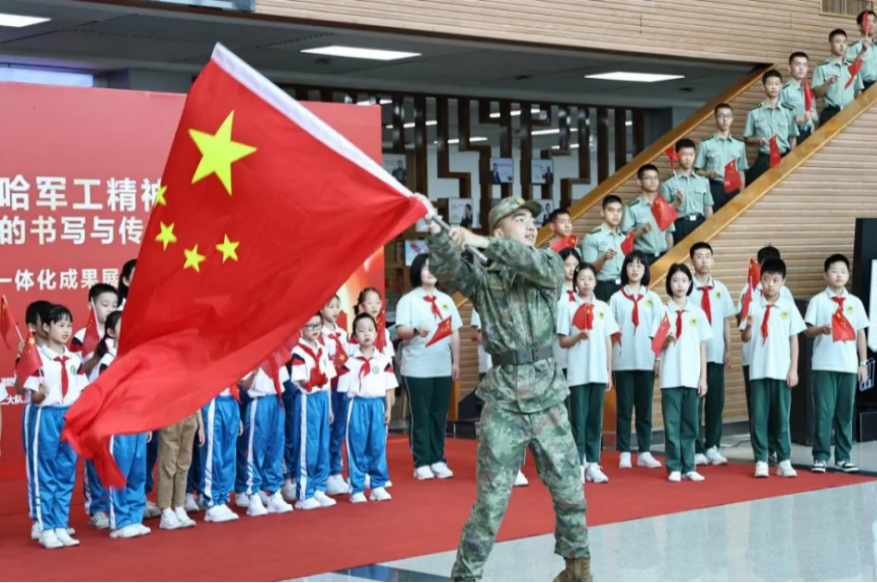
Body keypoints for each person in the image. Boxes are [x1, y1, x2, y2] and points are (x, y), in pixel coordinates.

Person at [421, 194, 592, 583]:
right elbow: (448, 270)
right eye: (520, 219)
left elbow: (528, 262)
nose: (531, 225)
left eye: (532, 219)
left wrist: (480, 241)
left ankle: (577, 570)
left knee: (570, 490)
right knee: (491, 502)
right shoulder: (484, 279)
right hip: (503, 401)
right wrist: (437, 233)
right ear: (499, 231)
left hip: (547, 396)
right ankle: (465, 576)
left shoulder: (548, 261)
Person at [23, 305, 89, 549]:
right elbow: (33, 397)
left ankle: (61, 525)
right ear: (46, 327)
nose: (66, 330)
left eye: (69, 325)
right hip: (46, 417)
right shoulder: (37, 359)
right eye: (60, 325)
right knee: (45, 473)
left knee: (66, 472)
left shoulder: (74, 360)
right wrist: (40, 394)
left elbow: (82, 390)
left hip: (69, 417)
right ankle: (46, 528)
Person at [395, 253, 463, 481]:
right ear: (417, 271)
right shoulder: (408, 300)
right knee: (420, 416)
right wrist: (415, 330)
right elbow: (401, 331)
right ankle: (421, 461)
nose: (430, 271)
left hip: (442, 367)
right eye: (425, 267)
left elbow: (455, 333)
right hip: (417, 368)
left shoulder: (446, 300)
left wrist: (456, 362)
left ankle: (437, 459)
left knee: (439, 415)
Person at [804, 254, 870, 473]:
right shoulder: (818, 301)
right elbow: (807, 331)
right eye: (834, 271)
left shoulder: (855, 303)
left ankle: (843, 457)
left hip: (848, 366)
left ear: (848, 275)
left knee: (845, 413)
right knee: (824, 413)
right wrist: (821, 329)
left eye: (843, 271)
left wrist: (863, 363)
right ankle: (821, 457)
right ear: (826, 275)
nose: (839, 275)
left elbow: (861, 334)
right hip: (824, 365)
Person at [741, 258, 805, 479]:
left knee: (781, 416)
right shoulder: (752, 305)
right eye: (766, 279)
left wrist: (793, 369)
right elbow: (745, 337)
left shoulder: (788, 306)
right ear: (760, 280)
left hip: (781, 371)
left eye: (775, 280)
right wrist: (748, 326)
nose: (770, 284)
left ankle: (784, 460)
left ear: (783, 282)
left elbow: (794, 340)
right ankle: (761, 459)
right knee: (759, 417)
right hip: (758, 371)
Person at [557, 263, 619, 484]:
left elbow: (608, 340)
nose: (586, 282)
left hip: (598, 372)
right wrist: (578, 337)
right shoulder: (568, 307)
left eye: (590, 278)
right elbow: (563, 341)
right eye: (582, 278)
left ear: (596, 282)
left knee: (595, 419)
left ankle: (593, 463)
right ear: (576, 281)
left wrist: (608, 372)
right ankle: (579, 463)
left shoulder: (602, 307)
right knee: (578, 420)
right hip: (577, 372)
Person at [653, 264, 712, 483]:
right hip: (670, 378)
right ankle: (674, 466)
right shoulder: (663, 312)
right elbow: (656, 345)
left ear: (689, 284)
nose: (680, 285)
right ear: (669, 283)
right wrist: (665, 341)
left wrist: (703, 378)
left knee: (691, 424)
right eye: (675, 280)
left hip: (692, 377)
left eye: (684, 281)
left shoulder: (697, 313)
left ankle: (689, 466)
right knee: (671, 424)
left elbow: (702, 347)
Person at [96, 311, 151, 539]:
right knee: (119, 473)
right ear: (110, 332)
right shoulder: (107, 362)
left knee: (138, 473)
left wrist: (146, 421)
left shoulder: (137, 359)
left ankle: (134, 518)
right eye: (122, 325)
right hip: (118, 426)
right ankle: (119, 521)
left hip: (137, 424)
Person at [69, 283, 119, 531]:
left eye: (114, 305)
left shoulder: (120, 333)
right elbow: (74, 372)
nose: (110, 309)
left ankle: (118, 505)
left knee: (116, 455)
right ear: (91, 304)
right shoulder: (81, 337)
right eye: (104, 304)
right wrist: (97, 356)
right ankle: (96, 508)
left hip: (116, 404)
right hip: (91, 404)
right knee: (94, 457)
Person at [610, 252, 664, 470]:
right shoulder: (616, 298)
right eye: (631, 265)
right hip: (622, 361)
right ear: (625, 268)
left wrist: (658, 358)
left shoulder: (653, 299)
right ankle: (624, 452)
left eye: (640, 265)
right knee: (624, 409)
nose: (635, 269)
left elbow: (660, 331)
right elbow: (607, 331)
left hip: (646, 360)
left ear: (645, 270)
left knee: (644, 409)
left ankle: (644, 451)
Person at [338, 313, 396, 503]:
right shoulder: (350, 362)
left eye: (370, 330)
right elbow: (343, 391)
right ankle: (356, 487)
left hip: (377, 405)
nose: (366, 334)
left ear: (376, 333)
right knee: (357, 445)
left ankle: (378, 485)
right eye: (361, 331)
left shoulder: (383, 360)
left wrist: (388, 409)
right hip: (357, 405)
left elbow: (388, 387)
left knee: (377, 445)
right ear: (355, 335)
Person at [689, 243, 735, 466]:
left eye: (708, 256)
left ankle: (713, 446)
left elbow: (725, 321)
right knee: (695, 404)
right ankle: (696, 447)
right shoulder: (687, 288)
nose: (704, 260)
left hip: (716, 353)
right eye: (699, 256)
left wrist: (729, 349)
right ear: (692, 261)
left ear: (713, 260)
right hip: (694, 356)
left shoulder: (721, 289)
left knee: (716, 402)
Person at [471, 310, 529, 488]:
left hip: (520, 369)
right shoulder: (485, 302)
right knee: (495, 421)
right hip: (494, 370)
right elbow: (477, 335)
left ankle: (515, 467)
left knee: (518, 419)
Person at [14, 300, 56, 542]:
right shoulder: (28, 352)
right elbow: (20, 388)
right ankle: (39, 520)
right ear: (33, 327)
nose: (51, 325)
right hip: (36, 413)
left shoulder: (61, 350)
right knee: (38, 469)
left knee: (57, 468)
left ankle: (56, 520)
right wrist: (22, 359)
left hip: (58, 414)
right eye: (46, 321)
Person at [291, 314, 338, 510]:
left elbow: (328, 380)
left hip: (322, 399)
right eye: (309, 326)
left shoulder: (323, 349)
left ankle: (319, 487)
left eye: (317, 325)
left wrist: (329, 406)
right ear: (301, 329)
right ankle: (305, 493)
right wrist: (311, 382)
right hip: (307, 398)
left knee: (322, 444)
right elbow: (300, 380)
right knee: (307, 446)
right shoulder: (298, 351)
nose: (314, 329)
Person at [744, 70, 799, 184]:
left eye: (776, 84)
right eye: (770, 84)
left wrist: (791, 160)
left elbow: (793, 137)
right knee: (756, 186)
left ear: (781, 86)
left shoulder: (789, 110)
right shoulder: (754, 112)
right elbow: (747, 139)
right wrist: (757, 139)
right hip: (764, 158)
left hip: (784, 157)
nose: (773, 87)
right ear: (763, 87)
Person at [322, 295, 351, 497]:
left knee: (339, 430)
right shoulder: (319, 334)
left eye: (337, 307)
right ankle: (326, 472)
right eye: (330, 306)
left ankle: (336, 470)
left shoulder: (342, 334)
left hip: (342, 387)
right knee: (328, 429)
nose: (334, 310)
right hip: (327, 387)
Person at [157, 407, 204, 529]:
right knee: (167, 464)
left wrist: (200, 423)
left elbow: (196, 398)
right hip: (171, 414)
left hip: (190, 415)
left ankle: (179, 507)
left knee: (184, 465)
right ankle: (166, 511)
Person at [695, 104, 749, 211]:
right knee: (714, 218)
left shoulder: (740, 144)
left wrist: (741, 192)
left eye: (728, 116)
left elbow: (741, 170)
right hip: (714, 187)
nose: (725, 120)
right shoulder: (706, 143)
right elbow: (697, 170)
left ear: (732, 119)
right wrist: (708, 174)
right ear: (715, 118)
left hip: (733, 187)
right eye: (721, 116)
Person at [620, 164, 675, 266]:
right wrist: (642, 231)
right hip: (642, 259)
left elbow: (669, 234)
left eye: (655, 178)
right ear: (639, 182)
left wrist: (670, 256)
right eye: (648, 178)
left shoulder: (664, 205)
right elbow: (626, 239)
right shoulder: (631, 207)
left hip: (663, 257)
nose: (653, 181)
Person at [661, 138, 714, 243]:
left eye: (691, 154)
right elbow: (663, 214)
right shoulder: (667, 183)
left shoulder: (703, 180)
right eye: (684, 154)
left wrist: (709, 228)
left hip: (700, 224)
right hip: (680, 226)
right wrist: (675, 203)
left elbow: (708, 208)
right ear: (677, 156)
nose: (688, 158)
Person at [813, 29, 865, 126]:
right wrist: (827, 83)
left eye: (844, 42)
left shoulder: (852, 66)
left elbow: (858, 91)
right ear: (830, 44)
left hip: (850, 112)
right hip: (830, 113)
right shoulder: (821, 67)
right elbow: (816, 94)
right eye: (838, 42)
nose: (842, 45)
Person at [581, 195, 626, 301]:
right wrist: (604, 258)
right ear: (602, 212)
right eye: (611, 210)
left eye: (619, 211)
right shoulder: (593, 236)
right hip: (603, 287)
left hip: (623, 286)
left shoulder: (624, 238)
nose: (616, 214)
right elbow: (588, 271)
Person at [782, 52, 818, 143]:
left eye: (805, 65)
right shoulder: (784, 90)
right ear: (789, 68)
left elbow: (814, 117)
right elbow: (781, 117)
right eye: (798, 64)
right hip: (792, 135)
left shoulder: (808, 91)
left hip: (809, 134)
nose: (802, 68)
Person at [846, 10, 877, 90]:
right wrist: (862, 51)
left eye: (874, 21)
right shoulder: (853, 47)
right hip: (863, 87)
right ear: (859, 26)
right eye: (867, 21)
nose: (871, 24)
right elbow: (849, 72)